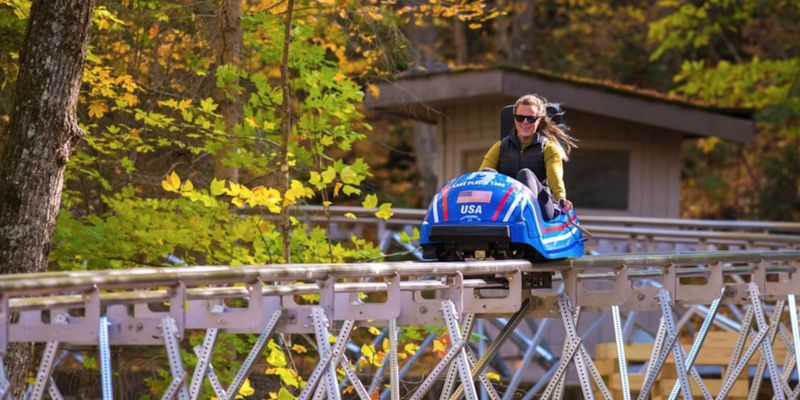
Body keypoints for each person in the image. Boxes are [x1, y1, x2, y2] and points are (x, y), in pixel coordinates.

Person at [479, 94, 577, 220]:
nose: (525, 122)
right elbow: (481, 177)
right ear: (515, 119)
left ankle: (524, 216)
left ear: (539, 120)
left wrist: (561, 198)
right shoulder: (500, 146)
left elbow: (555, 178)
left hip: (540, 208)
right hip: (505, 208)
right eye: (520, 118)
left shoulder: (548, 148)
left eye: (530, 119)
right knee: (487, 173)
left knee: (525, 174)